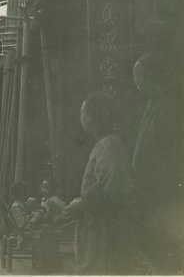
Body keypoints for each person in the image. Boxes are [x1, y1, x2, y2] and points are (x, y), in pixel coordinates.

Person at [65, 91, 132, 274]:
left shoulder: (110, 144)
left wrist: (82, 203)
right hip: (95, 222)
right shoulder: (104, 143)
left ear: (92, 116)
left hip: (103, 224)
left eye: (83, 111)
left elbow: (113, 186)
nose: (81, 116)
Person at [131, 52, 184, 273]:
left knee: (164, 249)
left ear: (151, 75)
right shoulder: (151, 104)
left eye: (139, 76)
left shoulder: (168, 107)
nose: (136, 82)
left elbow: (169, 155)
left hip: (161, 192)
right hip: (147, 191)